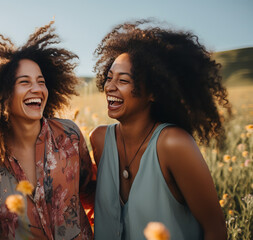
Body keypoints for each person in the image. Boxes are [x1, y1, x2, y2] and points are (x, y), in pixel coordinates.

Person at [90, 20, 229, 240]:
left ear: (154, 92)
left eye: (123, 80)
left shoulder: (173, 144)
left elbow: (216, 230)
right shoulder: (99, 139)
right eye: (109, 78)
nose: (110, 87)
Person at [0, 21, 95, 239]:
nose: (37, 89)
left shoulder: (70, 136)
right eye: (25, 82)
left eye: (41, 82)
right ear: (2, 92)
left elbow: (92, 194)